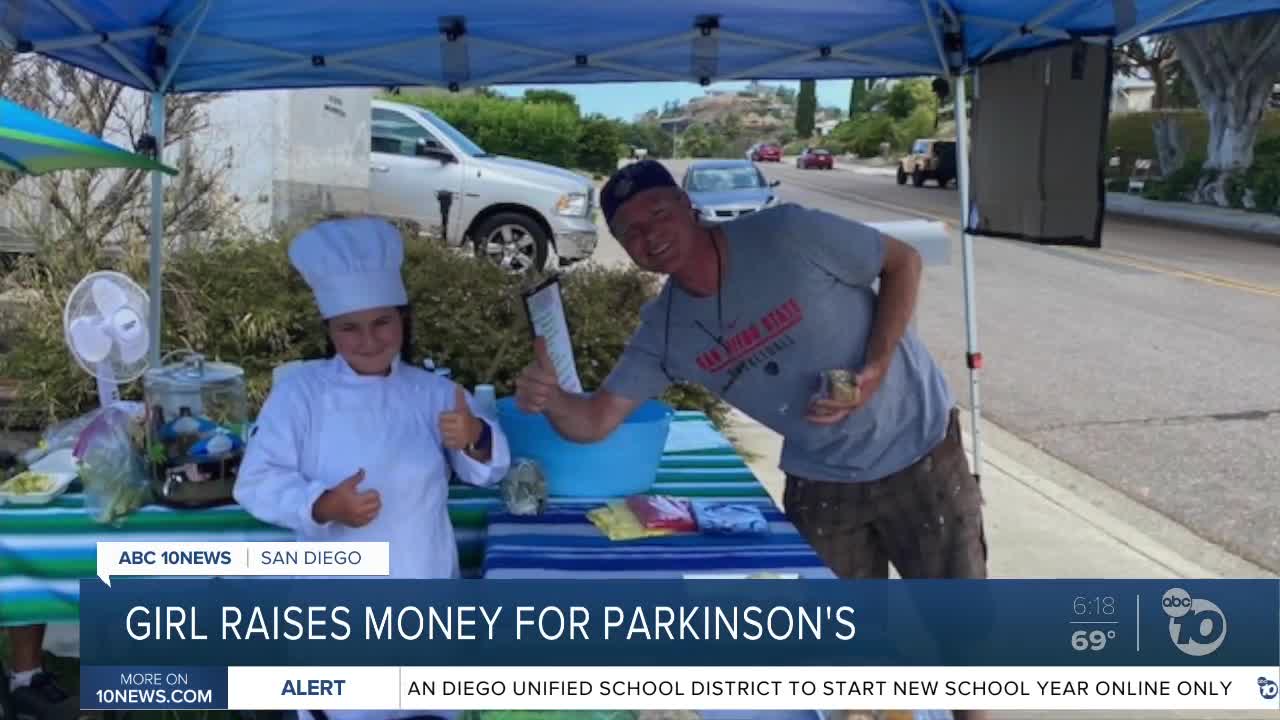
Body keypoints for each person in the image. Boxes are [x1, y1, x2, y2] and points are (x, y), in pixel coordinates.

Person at [515, 162, 988, 716]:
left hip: (918, 447)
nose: (650, 235)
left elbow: (901, 262)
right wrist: (549, 400)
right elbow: (594, 422)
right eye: (631, 231)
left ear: (689, 207)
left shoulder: (786, 234)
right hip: (824, 481)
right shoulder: (665, 330)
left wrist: (877, 368)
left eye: (659, 214)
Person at [235, 216, 510, 720]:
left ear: (403, 320)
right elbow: (255, 480)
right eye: (349, 327)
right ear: (329, 330)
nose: (368, 340)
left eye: (381, 322)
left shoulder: (432, 391)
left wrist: (474, 438)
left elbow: (488, 471)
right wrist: (320, 503)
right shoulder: (301, 392)